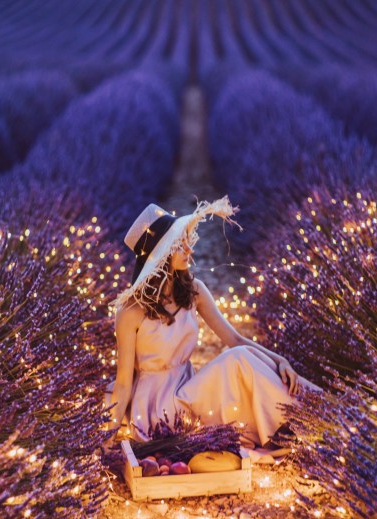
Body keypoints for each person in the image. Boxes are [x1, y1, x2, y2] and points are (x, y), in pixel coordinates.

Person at [102, 195, 315, 457]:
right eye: (180, 245)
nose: (189, 250)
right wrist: (108, 438)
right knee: (235, 361)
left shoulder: (193, 291)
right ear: (161, 255)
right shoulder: (130, 311)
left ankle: (311, 413)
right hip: (156, 410)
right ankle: (303, 421)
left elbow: (235, 340)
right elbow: (123, 382)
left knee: (239, 357)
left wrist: (280, 360)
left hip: (188, 390)